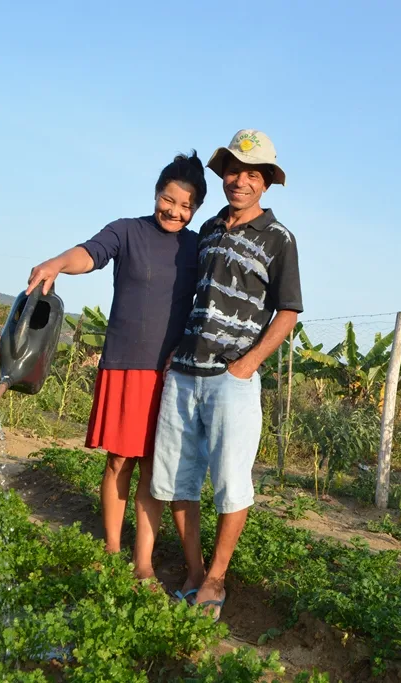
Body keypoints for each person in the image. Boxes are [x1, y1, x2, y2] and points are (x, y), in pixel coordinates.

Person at [26, 152, 206, 581]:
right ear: (156, 193)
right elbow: (89, 254)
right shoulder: (126, 232)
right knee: (119, 462)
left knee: (152, 469)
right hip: (125, 365)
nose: (175, 211)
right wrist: (56, 265)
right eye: (168, 199)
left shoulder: (197, 247)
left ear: (196, 209)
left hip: (169, 373)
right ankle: (111, 550)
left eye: (186, 206)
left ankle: (142, 563)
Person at [151, 129, 302, 618]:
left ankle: (216, 578)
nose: (240, 180)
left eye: (252, 174)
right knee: (178, 479)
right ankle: (194, 573)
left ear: (266, 184)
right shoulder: (209, 229)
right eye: (234, 171)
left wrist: (247, 364)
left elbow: (288, 312)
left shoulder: (280, 239)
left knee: (231, 482)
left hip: (230, 381)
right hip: (184, 373)